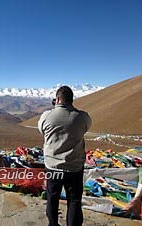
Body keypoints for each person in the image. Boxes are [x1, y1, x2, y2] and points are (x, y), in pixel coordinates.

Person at [38, 86, 91, 226]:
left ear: (57, 99)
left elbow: (42, 130)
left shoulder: (46, 116)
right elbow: (86, 127)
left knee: (52, 198)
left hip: (53, 166)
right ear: (71, 100)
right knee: (74, 201)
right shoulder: (82, 117)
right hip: (74, 167)